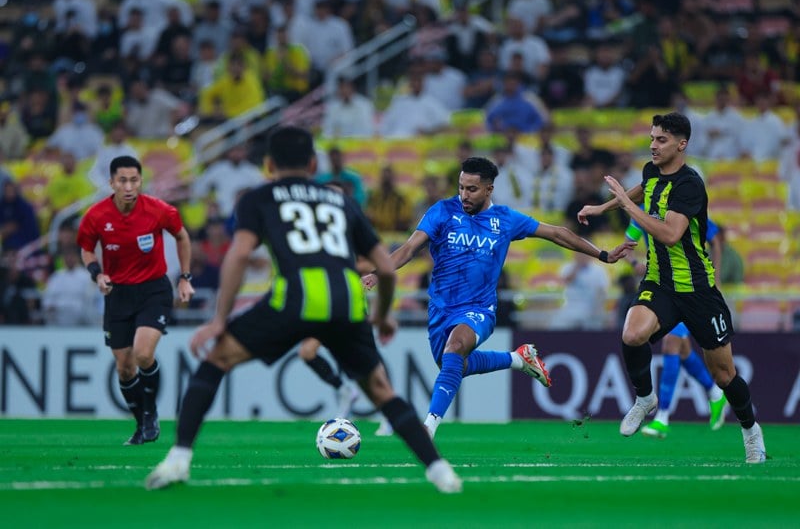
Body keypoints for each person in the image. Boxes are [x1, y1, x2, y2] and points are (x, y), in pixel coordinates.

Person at [145, 126, 462, 493]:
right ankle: (441, 473)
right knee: (381, 391)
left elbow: (240, 254)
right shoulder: (340, 200)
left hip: (294, 296)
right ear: (313, 164)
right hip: (345, 300)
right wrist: (383, 314)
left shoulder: (259, 198)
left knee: (216, 360)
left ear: (267, 165)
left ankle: (179, 460)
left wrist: (220, 319)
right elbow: (386, 267)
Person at [364, 156, 636, 438]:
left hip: (480, 309)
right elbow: (409, 248)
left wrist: (602, 254)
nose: (463, 195)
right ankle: (518, 359)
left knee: (456, 346)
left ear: (489, 190)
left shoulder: (505, 219)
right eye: (461, 187)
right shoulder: (442, 211)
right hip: (441, 309)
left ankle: (428, 427)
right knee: (453, 364)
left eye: (471, 189)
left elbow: (557, 233)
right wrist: (376, 273)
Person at [577, 112, 766, 463]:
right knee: (632, 334)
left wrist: (627, 205)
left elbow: (669, 233)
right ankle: (645, 398)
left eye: (661, 140)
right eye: (652, 138)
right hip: (660, 282)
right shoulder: (652, 171)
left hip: (698, 290)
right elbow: (641, 188)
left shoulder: (690, 185)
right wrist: (604, 206)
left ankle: (750, 429)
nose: (653, 145)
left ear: (682, 144)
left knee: (724, 375)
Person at [77, 155, 195, 445]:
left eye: (134, 180)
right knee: (124, 366)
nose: (129, 186)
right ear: (112, 183)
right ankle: (142, 419)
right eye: (122, 180)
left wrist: (185, 277)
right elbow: (87, 249)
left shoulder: (159, 210)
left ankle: (151, 414)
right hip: (117, 294)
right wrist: (97, 274)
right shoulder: (96, 215)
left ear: (141, 181)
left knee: (143, 354)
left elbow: (182, 237)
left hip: (153, 290)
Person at [623, 216, 728, 438]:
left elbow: (715, 240)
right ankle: (714, 392)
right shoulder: (641, 210)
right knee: (681, 348)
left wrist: (715, 278)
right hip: (661, 291)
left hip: (690, 289)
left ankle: (662, 417)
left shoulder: (684, 204)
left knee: (672, 344)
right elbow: (627, 243)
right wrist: (634, 264)